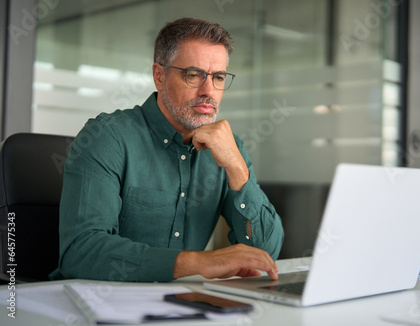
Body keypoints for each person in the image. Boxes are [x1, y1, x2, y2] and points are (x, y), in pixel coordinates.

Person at [49, 18, 284, 282]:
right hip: (95, 307)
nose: (208, 91)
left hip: (180, 307)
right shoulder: (107, 137)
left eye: (218, 77)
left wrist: (237, 168)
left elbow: (265, 255)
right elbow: (81, 253)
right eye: (193, 75)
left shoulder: (229, 148)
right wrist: (197, 262)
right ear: (159, 76)